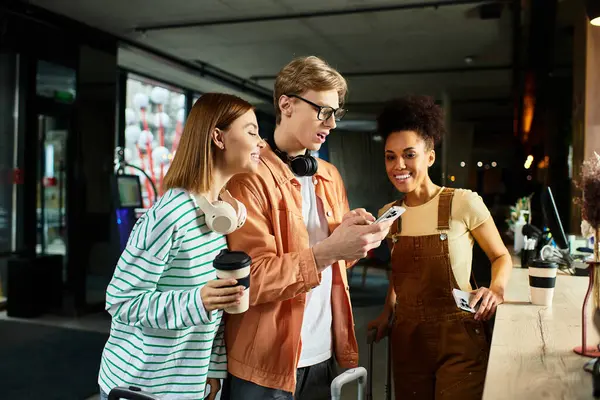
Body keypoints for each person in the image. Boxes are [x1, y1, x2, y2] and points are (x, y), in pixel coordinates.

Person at [221, 56, 394, 400]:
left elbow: (338, 268)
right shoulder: (246, 179)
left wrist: (354, 241)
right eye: (323, 110)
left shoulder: (329, 175)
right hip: (265, 364)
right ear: (286, 104)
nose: (331, 123)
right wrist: (330, 249)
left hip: (323, 354)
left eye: (336, 114)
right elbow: (251, 279)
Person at [98, 93, 265, 400]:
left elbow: (214, 306)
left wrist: (213, 369)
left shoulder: (219, 215)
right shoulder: (170, 215)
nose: (261, 143)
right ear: (218, 137)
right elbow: (121, 301)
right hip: (143, 387)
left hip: (188, 386)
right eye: (252, 132)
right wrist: (196, 301)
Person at [368, 95, 512, 400]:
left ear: (430, 157)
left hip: (458, 335)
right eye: (390, 156)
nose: (399, 165)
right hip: (408, 339)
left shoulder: (463, 202)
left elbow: (500, 256)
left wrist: (495, 290)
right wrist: (386, 312)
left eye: (409, 154)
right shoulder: (389, 213)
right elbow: (400, 272)